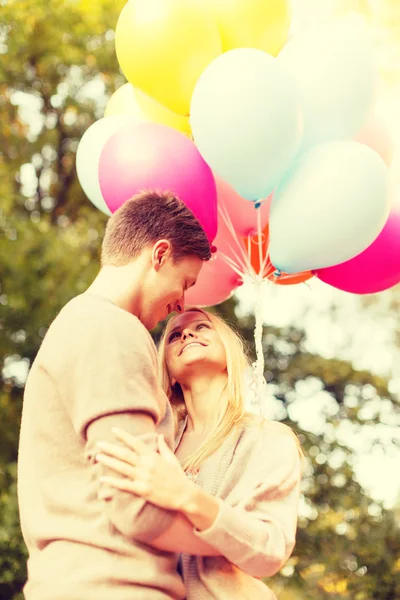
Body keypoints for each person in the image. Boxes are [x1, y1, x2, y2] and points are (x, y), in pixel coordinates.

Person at [17, 191, 213, 600]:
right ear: (159, 254)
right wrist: (236, 542)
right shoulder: (112, 329)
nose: (182, 303)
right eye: (186, 282)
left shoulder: (79, 323)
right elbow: (138, 508)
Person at [95, 307, 303, 599]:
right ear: (168, 369)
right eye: (175, 336)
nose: (187, 334)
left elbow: (268, 549)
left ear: (229, 353)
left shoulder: (269, 438)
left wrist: (186, 496)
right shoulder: (154, 441)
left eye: (202, 327)